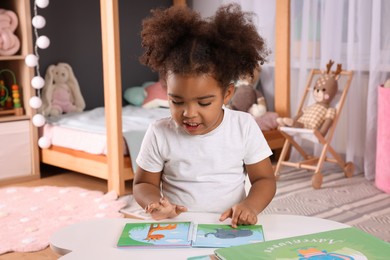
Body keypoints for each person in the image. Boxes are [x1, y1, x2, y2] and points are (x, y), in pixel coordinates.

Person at [133, 3, 276, 228]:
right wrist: (155, 204)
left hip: (230, 226)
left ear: (227, 93)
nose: (189, 113)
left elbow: (264, 180)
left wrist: (250, 206)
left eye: (204, 102)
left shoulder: (243, 126)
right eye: (176, 101)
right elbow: (142, 184)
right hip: (176, 226)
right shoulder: (159, 132)